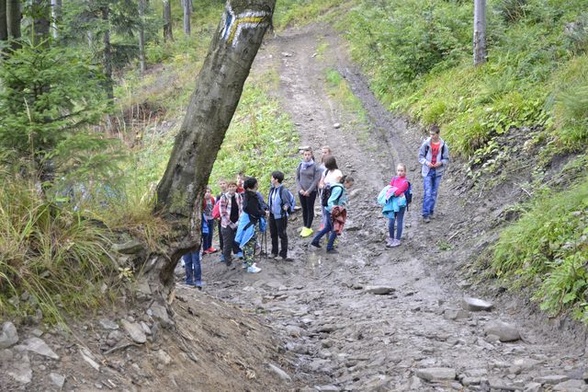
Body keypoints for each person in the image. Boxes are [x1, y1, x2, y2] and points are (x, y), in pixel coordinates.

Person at [310, 175, 354, 254]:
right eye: (350, 185)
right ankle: (329, 248)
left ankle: (315, 240)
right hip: (332, 211)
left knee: (328, 227)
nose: (350, 187)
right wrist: (334, 210)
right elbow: (331, 201)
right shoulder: (339, 189)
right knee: (335, 229)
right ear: (346, 182)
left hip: (328, 210)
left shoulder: (338, 187)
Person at [418, 124, 450, 223]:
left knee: (434, 193)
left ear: (438, 134)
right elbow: (420, 157)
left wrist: (439, 163)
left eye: (433, 134)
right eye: (430, 134)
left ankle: (431, 211)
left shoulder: (444, 145)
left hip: (437, 171)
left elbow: (446, 159)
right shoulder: (426, 144)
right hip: (427, 171)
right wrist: (427, 163)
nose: (431, 136)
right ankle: (425, 214)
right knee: (428, 193)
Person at [236, 177, 265, 273]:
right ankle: (250, 265)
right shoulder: (252, 197)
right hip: (250, 223)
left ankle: (246, 262)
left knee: (247, 243)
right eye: (256, 183)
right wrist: (263, 213)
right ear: (253, 185)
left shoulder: (247, 195)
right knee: (249, 243)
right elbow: (254, 211)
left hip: (247, 222)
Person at [268, 171, 293, 261]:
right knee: (273, 234)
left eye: (272, 178)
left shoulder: (283, 190)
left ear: (276, 180)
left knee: (282, 234)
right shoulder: (272, 189)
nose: (271, 179)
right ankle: (274, 252)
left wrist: (286, 207)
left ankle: (283, 254)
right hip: (272, 215)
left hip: (281, 216)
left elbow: (287, 202)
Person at [296, 148, 321, 238]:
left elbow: (316, 180)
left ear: (311, 155)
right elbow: (297, 178)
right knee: (304, 208)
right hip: (301, 191)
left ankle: (308, 227)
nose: (307, 156)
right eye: (305, 155)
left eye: (308, 155)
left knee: (310, 208)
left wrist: (308, 191)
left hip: (311, 192)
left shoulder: (315, 166)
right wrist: (300, 189)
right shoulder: (300, 165)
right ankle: (305, 225)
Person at [219, 181, 243, 267]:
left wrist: (238, 222)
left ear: (236, 187)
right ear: (228, 188)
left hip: (238, 222)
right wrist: (232, 224)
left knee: (241, 241)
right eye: (230, 186)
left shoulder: (239, 196)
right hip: (226, 224)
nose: (232, 188)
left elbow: (241, 210)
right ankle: (228, 263)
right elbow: (223, 214)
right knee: (227, 244)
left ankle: (244, 258)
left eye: (233, 186)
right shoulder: (223, 197)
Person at [385, 163, 410, 247]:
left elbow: (396, 192)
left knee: (399, 221)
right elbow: (389, 188)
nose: (400, 172)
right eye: (398, 170)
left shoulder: (405, 182)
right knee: (391, 221)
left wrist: (393, 191)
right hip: (392, 203)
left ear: (405, 172)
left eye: (402, 171)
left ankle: (397, 239)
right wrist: (392, 191)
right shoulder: (394, 178)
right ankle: (391, 238)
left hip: (400, 205)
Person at [318, 155, 343, 230]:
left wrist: (329, 187)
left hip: (334, 199)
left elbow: (340, 185)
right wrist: (324, 187)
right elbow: (320, 184)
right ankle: (328, 235)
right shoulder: (326, 172)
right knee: (325, 217)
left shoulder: (338, 173)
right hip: (324, 197)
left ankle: (333, 235)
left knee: (333, 219)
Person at [202, 186, 217, 254]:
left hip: (211, 218)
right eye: (206, 192)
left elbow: (215, 207)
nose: (207, 193)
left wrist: (215, 216)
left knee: (210, 233)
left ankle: (209, 247)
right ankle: (205, 248)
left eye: (209, 192)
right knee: (205, 233)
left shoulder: (212, 199)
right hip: (205, 219)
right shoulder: (202, 200)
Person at [215, 179, 227, 262]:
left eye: (224, 183)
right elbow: (216, 207)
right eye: (221, 184)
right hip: (221, 218)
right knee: (221, 235)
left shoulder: (231, 194)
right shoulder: (219, 196)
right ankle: (223, 252)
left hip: (230, 217)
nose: (222, 185)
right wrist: (218, 216)